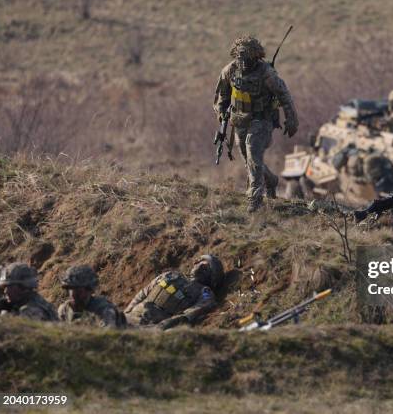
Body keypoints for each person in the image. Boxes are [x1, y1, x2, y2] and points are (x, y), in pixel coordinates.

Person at [214, 35, 299, 212]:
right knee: (249, 160)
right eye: (240, 58)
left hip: (262, 119)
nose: (243, 63)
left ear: (255, 57)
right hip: (239, 120)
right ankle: (271, 180)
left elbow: (284, 95)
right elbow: (221, 97)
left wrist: (291, 118)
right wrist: (222, 115)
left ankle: (255, 198)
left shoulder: (265, 73)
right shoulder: (229, 71)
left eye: (247, 59)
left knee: (252, 150)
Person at [124, 255, 223, 330]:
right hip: (132, 316)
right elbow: (142, 294)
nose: (199, 267)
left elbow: (189, 314)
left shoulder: (204, 292)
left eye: (205, 267)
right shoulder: (170, 275)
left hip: (153, 324)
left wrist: (162, 326)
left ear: (212, 275)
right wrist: (127, 312)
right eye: (199, 263)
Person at [58, 265, 126, 328]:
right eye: (70, 289)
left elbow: (107, 336)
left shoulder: (103, 310)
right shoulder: (64, 310)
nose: (72, 294)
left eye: (78, 291)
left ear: (89, 291)